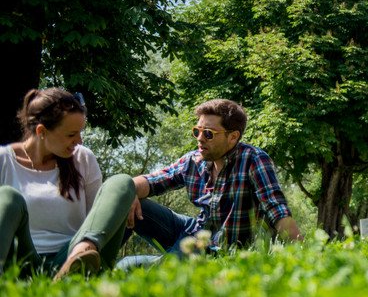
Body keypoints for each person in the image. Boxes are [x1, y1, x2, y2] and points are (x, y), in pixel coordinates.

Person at [128, 98, 301, 252]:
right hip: (194, 233)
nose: (200, 138)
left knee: (146, 269)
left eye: (208, 133)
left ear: (233, 137)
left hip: (221, 250)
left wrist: (302, 252)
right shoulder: (193, 160)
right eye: (197, 131)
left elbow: (276, 209)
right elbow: (152, 181)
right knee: (125, 197)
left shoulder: (253, 159)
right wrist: (129, 191)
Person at [0, 88, 135, 280]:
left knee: (121, 182)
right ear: (41, 132)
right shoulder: (4, 160)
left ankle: (81, 256)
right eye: (71, 134)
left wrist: (125, 199)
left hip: (73, 256)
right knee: (8, 197)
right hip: (22, 263)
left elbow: (97, 219)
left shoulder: (83, 158)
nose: (79, 140)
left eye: (80, 132)